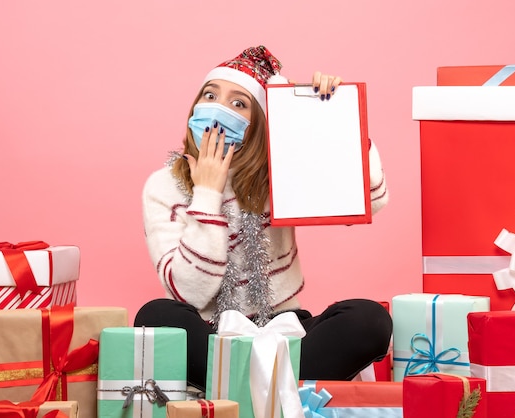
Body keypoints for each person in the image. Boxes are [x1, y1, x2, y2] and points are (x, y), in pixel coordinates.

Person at [136, 45, 391, 391]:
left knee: (370, 319)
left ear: (258, 123)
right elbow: (188, 292)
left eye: (238, 103)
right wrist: (207, 193)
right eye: (209, 95)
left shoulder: (280, 173)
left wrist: (323, 115)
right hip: (211, 332)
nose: (218, 109)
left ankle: (237, 389)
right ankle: (279, 390)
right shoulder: (163, 185)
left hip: (286, 328)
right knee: (155, 317)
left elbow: (370, 199)